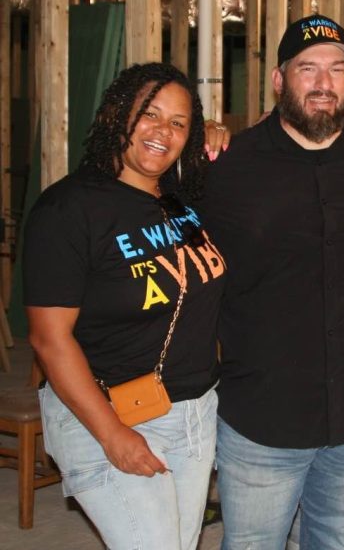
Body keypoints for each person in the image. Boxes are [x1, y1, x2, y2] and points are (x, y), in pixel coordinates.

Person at [199, 16, 344, 549]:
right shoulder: (228, 167)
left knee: (341, 540)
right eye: (307, 68)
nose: (323, 82)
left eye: (336, 69)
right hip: (264, 413)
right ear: (279, 80)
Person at [24, 62, 227, 550]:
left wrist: (220, 133)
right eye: (149, 114)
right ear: (116, 114)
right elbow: (50, 340)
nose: (163, 131)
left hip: (195, 412)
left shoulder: (181, 201)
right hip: (108, 412)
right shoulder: (68, 209)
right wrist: (112, 434)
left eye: (178, 123)